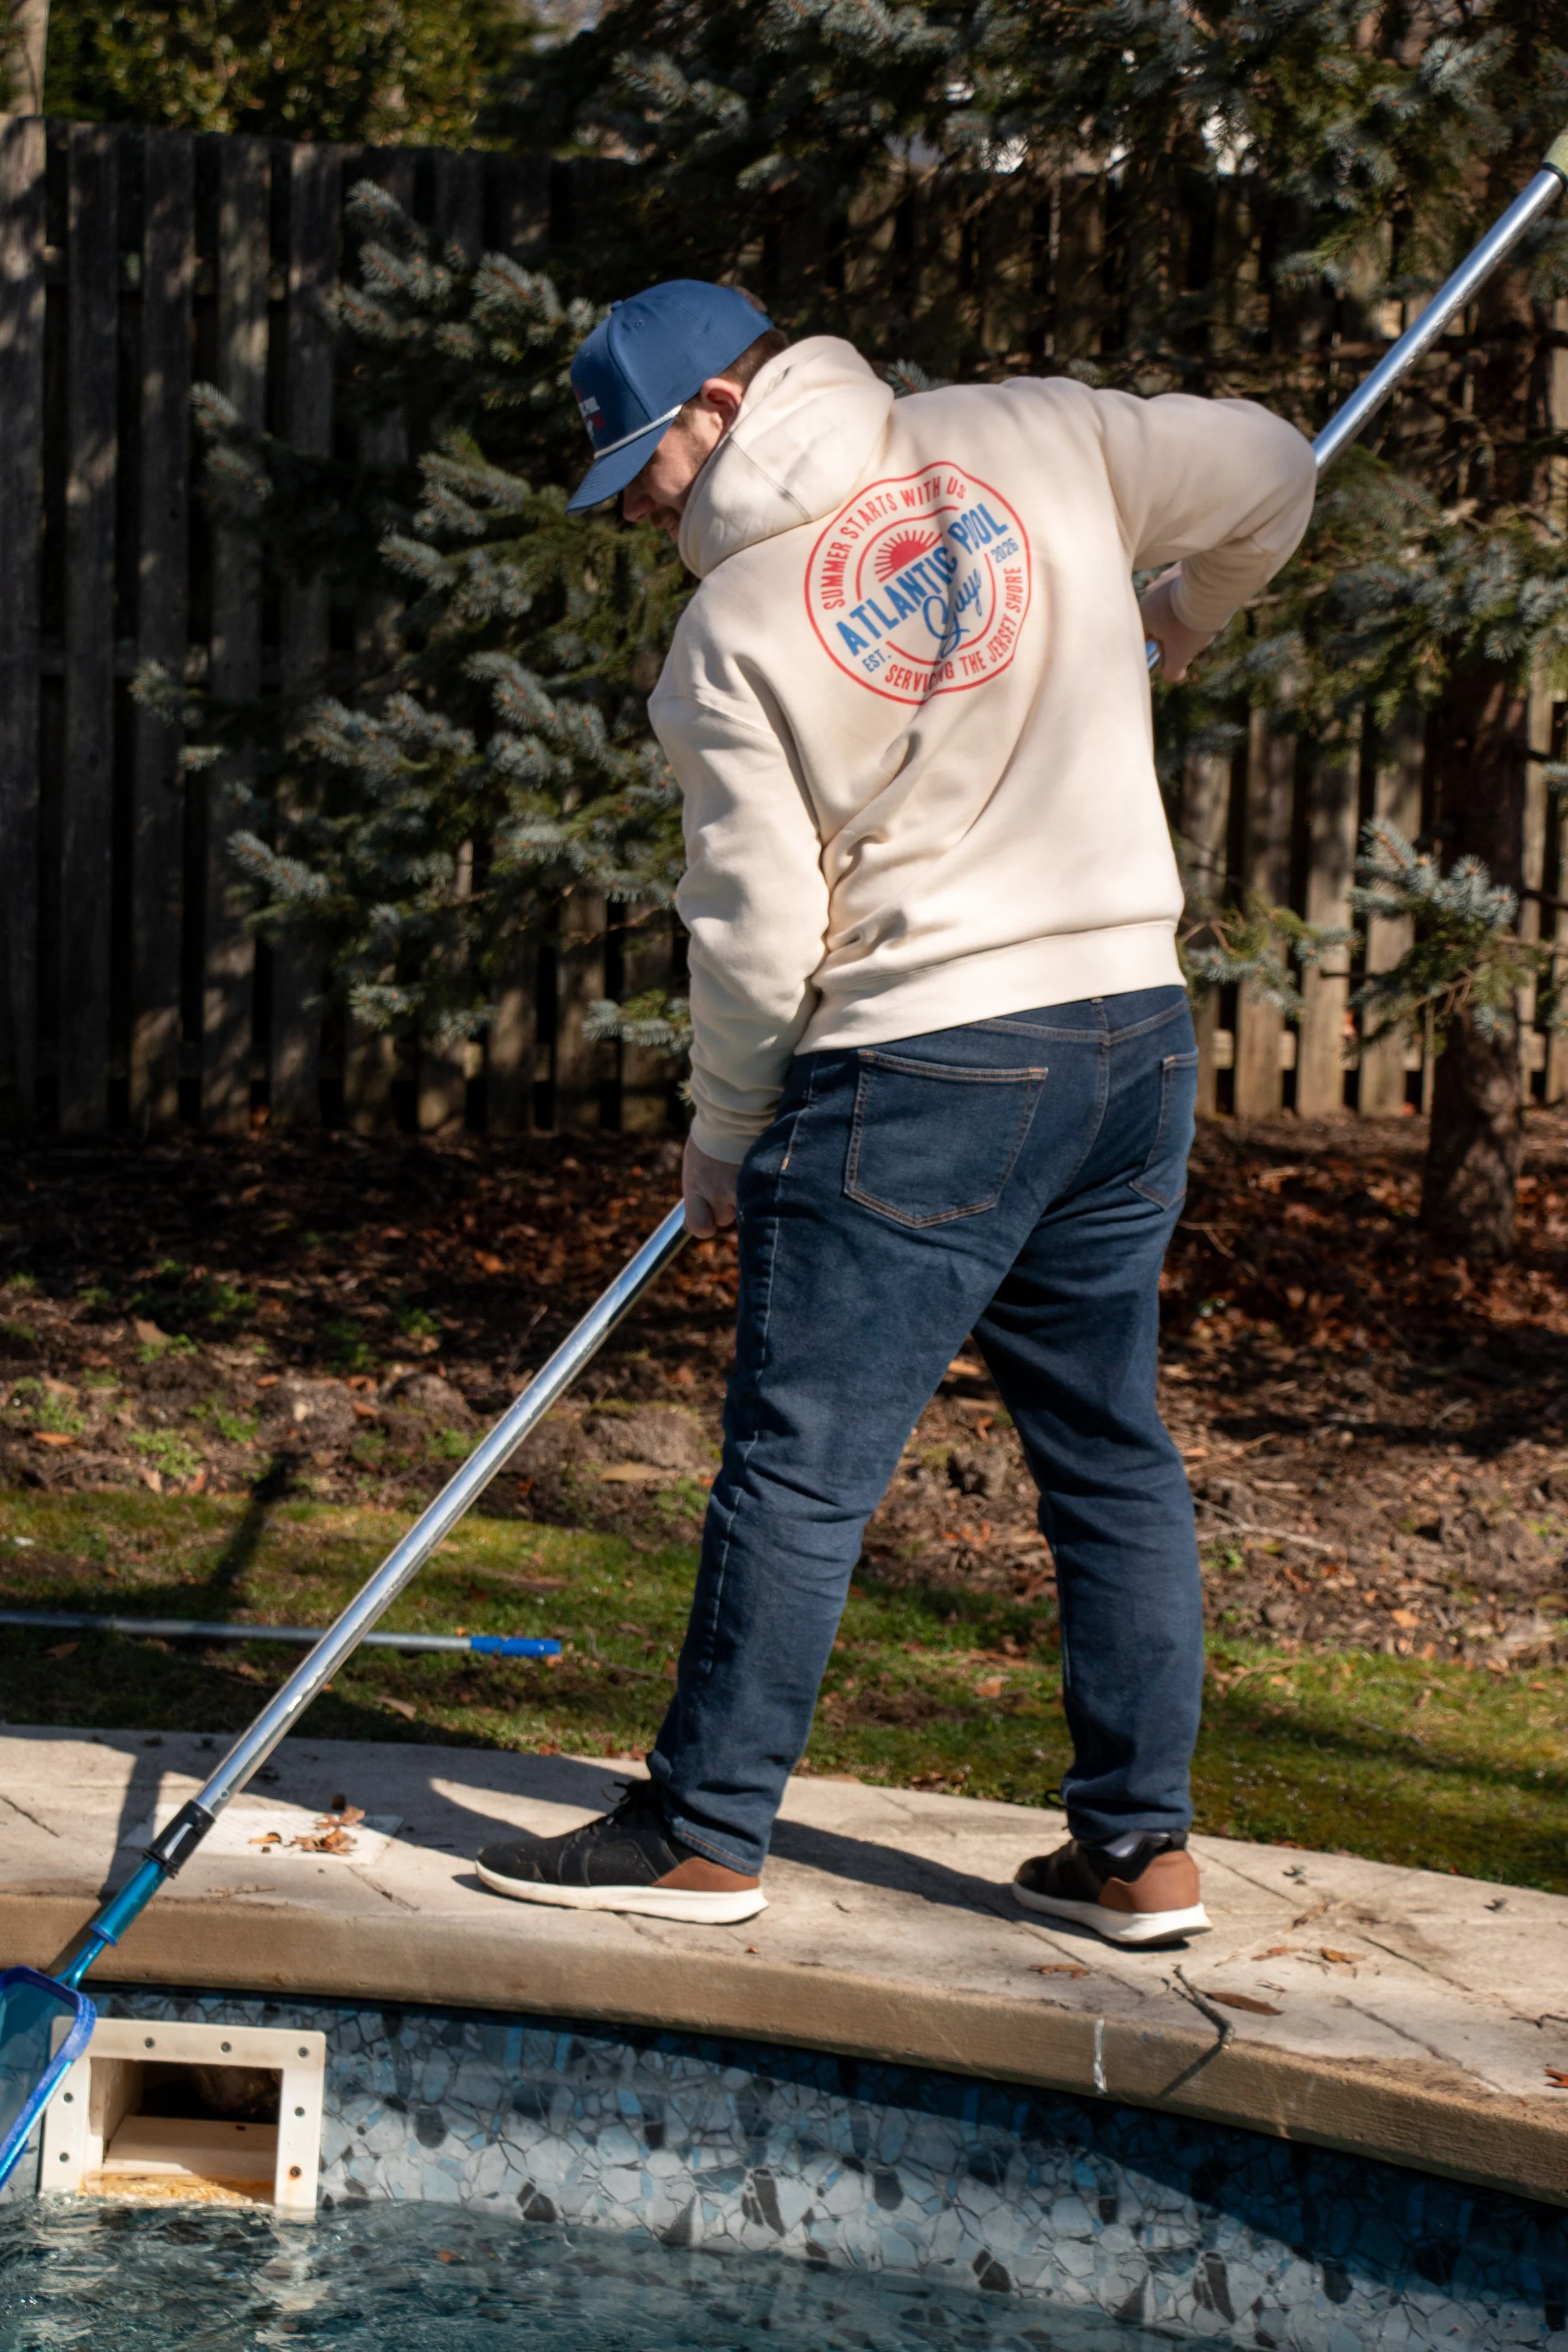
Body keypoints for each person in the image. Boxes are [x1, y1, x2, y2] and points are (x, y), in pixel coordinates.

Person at [474, 279, 1315, 1946]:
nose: (641, 504)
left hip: (920, 1065)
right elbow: (1276, 470)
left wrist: (725, 1127)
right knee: (1107, 1453)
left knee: (798, 1472)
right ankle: (1139, 1854)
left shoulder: (731, 632)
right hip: (1125, 1035)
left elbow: (756, 927)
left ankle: (703, 1835)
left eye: (648, 460)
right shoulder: (1033, 433)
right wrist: (1184, 613)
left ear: (724, 401)